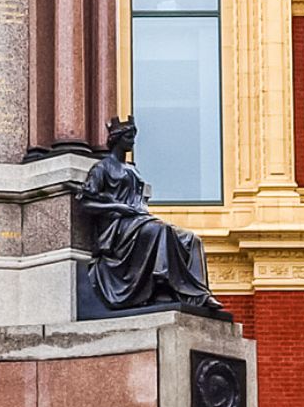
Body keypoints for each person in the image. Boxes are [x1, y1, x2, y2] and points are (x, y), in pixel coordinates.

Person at [76, 118, 226, 316]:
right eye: (129, 137)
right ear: (117, 139)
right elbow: (86, 202)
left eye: (134, 137)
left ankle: (200, 294)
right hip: (119, 227)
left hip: (139, 220)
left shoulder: (133, 169)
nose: (133, 141)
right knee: (160, 231)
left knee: (191, 239)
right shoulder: (102, 168)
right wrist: (119, 208)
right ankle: (161, 285)